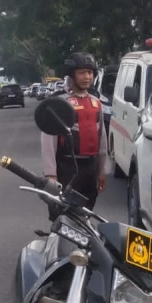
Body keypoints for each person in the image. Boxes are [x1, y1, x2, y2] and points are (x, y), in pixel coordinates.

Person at [41, 53, 109, 210]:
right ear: (72, 75)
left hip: (90, 168)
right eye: (82, 73)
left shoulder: (96, 102)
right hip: (66, 167)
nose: (87, 77)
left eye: (90, 73)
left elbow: (102, 139)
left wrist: (101, 170)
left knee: (86, 212)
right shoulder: (60, 103)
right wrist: (50, 173)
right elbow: (48, 139)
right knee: (63, 213)